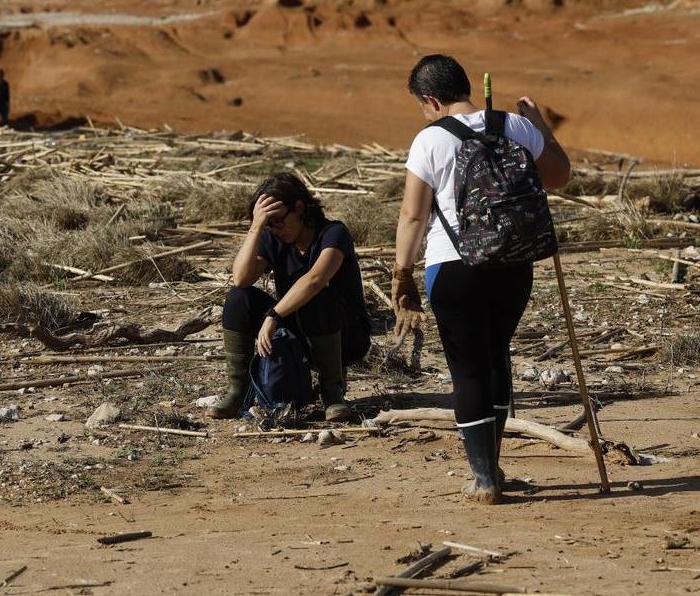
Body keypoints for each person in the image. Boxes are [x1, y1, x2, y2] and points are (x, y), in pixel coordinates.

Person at [392, 54, 571, 504]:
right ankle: (492, 467)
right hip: (515, 265)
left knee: (467, 369)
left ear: (431, 99)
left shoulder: (429, 140)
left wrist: (402, 274)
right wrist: (540, 126)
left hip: (454, 267)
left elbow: (414, 216)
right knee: (495, 357)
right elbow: (560, 176)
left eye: (421, 105)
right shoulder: (515, 125)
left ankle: (484, 479)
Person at [208, 172, 370, 423]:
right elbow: (241, 278)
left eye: (278, 221)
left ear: (299, 208)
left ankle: (332, 394)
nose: (274, 229)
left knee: (317, 296)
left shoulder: (333, 234)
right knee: (239, 298)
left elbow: (314, 280)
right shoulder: (274, 237)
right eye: (268, 223)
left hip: (343, 335)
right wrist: (256, 228)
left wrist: (273, 315)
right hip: (298, 332)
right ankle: (238, 392)